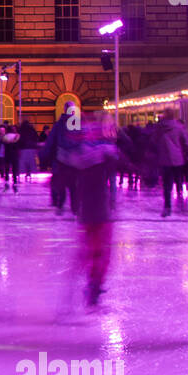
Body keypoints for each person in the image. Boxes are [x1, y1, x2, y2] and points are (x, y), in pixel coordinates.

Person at [60, 114, 120, 307]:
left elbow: (66, 176)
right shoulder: (105, 154)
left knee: (89, 250)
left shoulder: (77, 156)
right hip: (101, 209)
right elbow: (122, 160)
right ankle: (94, 286)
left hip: (86, 210)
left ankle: (88, 285)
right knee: (101, 252)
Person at [151, 110, 188, 217]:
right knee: (179, 179)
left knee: (167, 184)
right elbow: (186, 142)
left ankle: (167, 206)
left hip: (164, 159)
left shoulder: (159, 128)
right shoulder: (179, 127)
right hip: (178, 159)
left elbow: (153, 141)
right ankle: (180, 200)